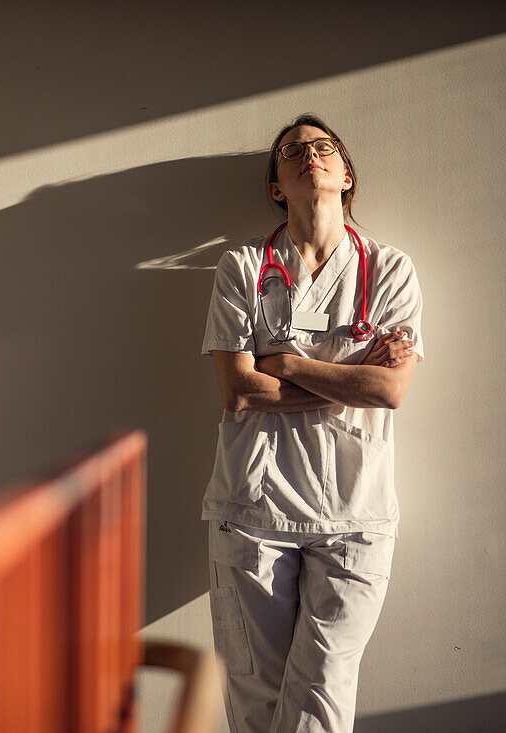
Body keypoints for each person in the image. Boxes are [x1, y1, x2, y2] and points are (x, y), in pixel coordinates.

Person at [200, 114, 423, 733]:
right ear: (276, 184)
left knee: (322, 697)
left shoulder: (391, 270)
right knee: (256, 701)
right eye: (292, 151)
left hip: (356, 515)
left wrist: (288, 364)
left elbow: (390, 390)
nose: (310, 156)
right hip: (254, 511)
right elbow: (238, 390)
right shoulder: (242, 269)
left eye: (325, 148)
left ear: (346, 174)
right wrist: (347, 382)